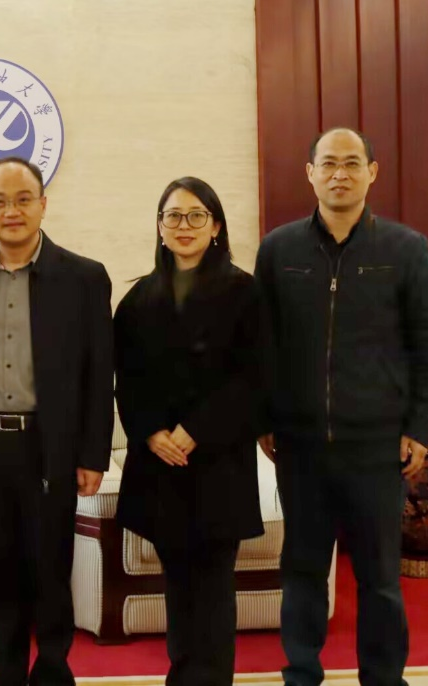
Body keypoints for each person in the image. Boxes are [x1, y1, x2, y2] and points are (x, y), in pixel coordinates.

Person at [255, 128, 428, 686]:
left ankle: (384, 679)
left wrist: (419, 427)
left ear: (372, 172)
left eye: (351, 163)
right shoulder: (279, 250)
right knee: (303, 571)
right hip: (301, 446)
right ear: (310, 173)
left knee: (380, 578)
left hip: (377, 447)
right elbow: (261, 344)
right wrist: (265, 419)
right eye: (328, 164)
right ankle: (301, 674)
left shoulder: (405, 249)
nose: (339, 174)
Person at [0, 156, 114, 686]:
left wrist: (93, 453)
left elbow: (99, 371)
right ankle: (7, 669)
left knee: (49, 566)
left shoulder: (83, 277)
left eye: (23, 199)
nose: (11, 211)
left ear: (43, 204)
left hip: (50, 444)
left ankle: (54, 669)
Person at [113, 176, 268, 686]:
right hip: (161, 465)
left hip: (219, 462)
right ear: (159, 227)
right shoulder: (137, 300)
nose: (184, 225)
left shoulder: (245, 292)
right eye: (173, 216)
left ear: (216, 226)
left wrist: (196, 429)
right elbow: (126, 380)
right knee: (177, 586)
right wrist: (151, 432)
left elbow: (254, 378)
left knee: (215, 586)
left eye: (196, 215)